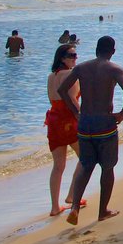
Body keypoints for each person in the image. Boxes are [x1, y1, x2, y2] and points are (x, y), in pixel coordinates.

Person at [58, 36, 123, 225]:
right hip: (104, 123)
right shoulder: (115, 69)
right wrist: (122, 113)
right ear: (113, 51)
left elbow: (62, 90)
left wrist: (76, 111)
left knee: (86, 165)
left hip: (85, 123)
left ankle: (75, 207)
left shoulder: (81, 67)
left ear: (96, 49)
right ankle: (103, 211)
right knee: (107, 167)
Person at [46, 44, 84, 217]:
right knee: (85, 158)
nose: (75, 58)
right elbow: (72, 101)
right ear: (62, 57)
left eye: (76, 55)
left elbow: (52, 100)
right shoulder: (70, 74)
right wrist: (81, 117)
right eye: (71, 55)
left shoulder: (51, 76)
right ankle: (71, 196)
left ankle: (55, 207)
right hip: (68, 119)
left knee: (58, 166)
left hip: (53, 119)